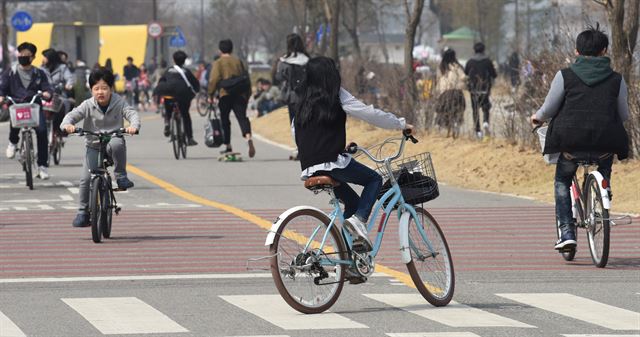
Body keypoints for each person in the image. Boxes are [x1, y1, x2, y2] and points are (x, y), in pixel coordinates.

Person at [295, 56, 412, 253]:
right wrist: (400, 123)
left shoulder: (301, 100)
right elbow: (368, 113)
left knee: (353, 203)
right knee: (374, 179)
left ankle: (348, 258)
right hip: (332, 162)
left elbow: (296, 132)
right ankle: (359, 221)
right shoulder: (336, 94)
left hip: (309, 166)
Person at [530, 24, 630, 251]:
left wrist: (536, 118)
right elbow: (624, 115)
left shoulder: (564, 76)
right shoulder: (617, 79)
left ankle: (566, 232)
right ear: (604, 50)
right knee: (604, 166)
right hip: (605, 143)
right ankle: (603, 193)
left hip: (570, 144)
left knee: (562, 181)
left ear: (576, 51)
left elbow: (548, 110)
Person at [60, 68, 140, 227]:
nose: (100, 92)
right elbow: (72, 115)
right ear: (91, 90)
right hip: (93, 145)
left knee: (117, 142)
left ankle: (121, 176)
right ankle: (83, 212)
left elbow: (132, 114)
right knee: (85, 179)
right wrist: (67, 125)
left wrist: (133, 126)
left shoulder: (119, 102)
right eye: (96, 89)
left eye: (104, 88)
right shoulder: (87, 104)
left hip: (112, 142)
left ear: (111, 88)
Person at [0, 42, 54, 179]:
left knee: (42, 131)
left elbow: (47, 87)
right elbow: (3, 88)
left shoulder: (39, 73)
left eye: (27, 55)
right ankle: (13, 142)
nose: (23, 57)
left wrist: (47, 93)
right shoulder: (10, 72)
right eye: (21, 54)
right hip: (16, 104)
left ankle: (42, 166)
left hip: (34, 106)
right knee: (15, 124)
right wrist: (1, 96)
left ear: (33, 57)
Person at [207, 39, 255, 157]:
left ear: (220, 50)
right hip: (240, 94)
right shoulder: (238, 61)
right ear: (231, 49)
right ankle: (248, 136)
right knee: (242, 118)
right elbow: (246, 79)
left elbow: (214, 80)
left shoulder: (218, 63)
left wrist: (211, 95)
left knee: (225, 120)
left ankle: (228, 145)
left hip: (225, 94)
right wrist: (247, 95)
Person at [275, 33, 309, 160]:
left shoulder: (284, 61)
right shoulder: (307, 59)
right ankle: (306, 147)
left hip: (291, 96)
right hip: (306, 96)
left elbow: (278, 77)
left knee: (294, 123)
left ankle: (299, 148)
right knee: (306, 122)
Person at [155, 50, 200, 146]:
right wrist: (195, 92)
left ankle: (167, 122)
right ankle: (190, 138)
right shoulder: (186, 71)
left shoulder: (168, 70)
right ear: (184, 61)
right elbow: (195, 84)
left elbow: (161, 81)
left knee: (168, 108)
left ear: (174, 60)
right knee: (185, 114)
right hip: (183, 95)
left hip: (169, 94)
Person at [464, 42, 497, 139]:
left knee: (475, 110)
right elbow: (494, 74)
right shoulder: (487, 61)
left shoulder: (470, 61)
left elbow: (466, 73)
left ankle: (478, 131)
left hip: (473, 90)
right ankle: (486, 122)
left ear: (474, 50)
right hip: (485, 89)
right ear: (483, 50)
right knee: (486, 107)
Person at [42, 48, 75, 135]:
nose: (43, 59)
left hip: (59, 94)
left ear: (51, 58)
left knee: (63, 107)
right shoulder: (41, 69)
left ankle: (60, 128)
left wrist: (69, 85)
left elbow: (69, 78)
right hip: (45, 95)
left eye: (45, 57)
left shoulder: (62, 68)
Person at [434, 48, 466, 137]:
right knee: (457, 110)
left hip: (444, 93)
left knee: (444, 112)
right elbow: (463, 77)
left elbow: (437, 79)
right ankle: (455, 126)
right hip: (457, 93)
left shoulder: (441, 67)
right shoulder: (457, 66)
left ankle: (446, 129)